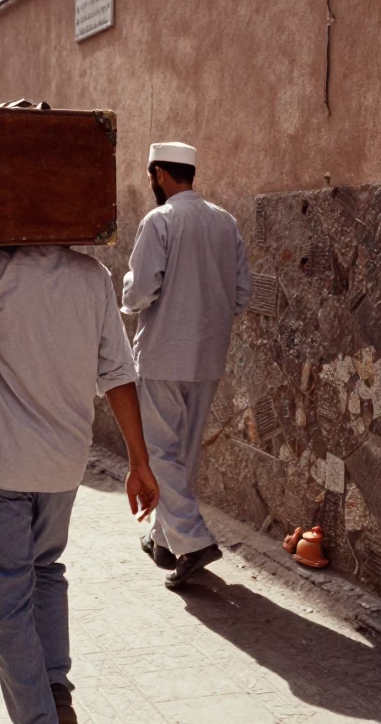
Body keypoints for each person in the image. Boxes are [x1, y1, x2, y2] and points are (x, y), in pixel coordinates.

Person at [0, 166, 160, 724]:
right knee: (46, 569)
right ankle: (56, 695)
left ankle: (40, 717)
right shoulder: (92, 277)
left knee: (6, 601)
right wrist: (138, 462)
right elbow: (117, 372)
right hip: (63, 465)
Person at [121, 142, 253, 589]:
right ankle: (164, 539)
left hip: (163, 354)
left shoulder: (160, 221)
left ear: (158, 173)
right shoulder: (225, 221)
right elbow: (242, 295)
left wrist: (127, 293)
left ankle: (193, 542)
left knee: (158, 453)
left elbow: (138, 292)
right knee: (184, 454)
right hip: (207, 355)